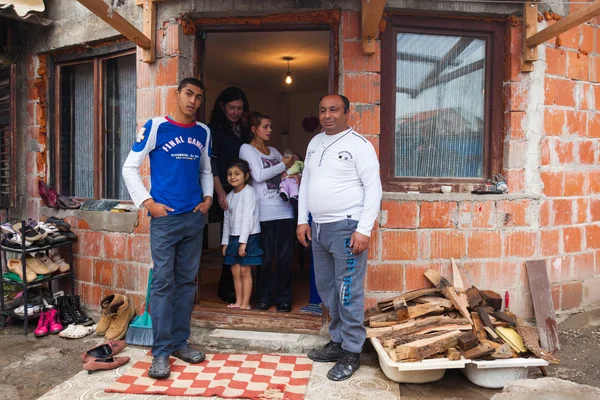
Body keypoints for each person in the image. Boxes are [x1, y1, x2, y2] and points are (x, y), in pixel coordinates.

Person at [122, 77, 213, 380]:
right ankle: (160, 353)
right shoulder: (157, 126)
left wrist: (209, 197)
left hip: (193, 218)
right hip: (164, 218)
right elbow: (129, 166)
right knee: (163, 284)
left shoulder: (203, 132)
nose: (193, 101)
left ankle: (179, 343)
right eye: (189, 94)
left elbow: (205, 169)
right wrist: (148, 203)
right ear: (177, 94)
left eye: (199, 97)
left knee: (187, 283)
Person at [297, 94, 382, 381]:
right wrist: (302, 220)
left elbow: (374, 188)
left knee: (348, 291)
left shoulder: (360, 145)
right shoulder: (314, 143)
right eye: (322, 110)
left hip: (347, 227)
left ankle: (352, 351)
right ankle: (337, 342)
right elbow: (306, 181)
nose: (327, 115)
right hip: (318, 227)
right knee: (326, 289)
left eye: (334, 109)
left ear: (347, 113)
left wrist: (364, 229)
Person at [239, 112, 295, 312]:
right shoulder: (246, 149)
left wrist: (290, 170)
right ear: (254, 129)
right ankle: (262, 298)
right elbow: (259, 174)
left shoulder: (273, 150)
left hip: (285, 212)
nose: (270, 130)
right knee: (264, 259)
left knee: (285, 259)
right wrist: (283, 165)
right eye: (266, 126)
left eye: (270, 126)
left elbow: (288, 172)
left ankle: (283, 298)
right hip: (263, 213)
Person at [208, 87, 251, 305]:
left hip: (245, 188)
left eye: (240, 108)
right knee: (230, 237)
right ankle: (227, 289)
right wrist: (220, 191)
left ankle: (243, 288)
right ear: (222, 106)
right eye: (231, 108)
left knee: (245, 236)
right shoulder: (213, 129)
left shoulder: (245, 130)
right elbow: (211, 163)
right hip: (224, 187)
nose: (235, 112)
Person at [221, 159, 262, 310]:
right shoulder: (230, 196)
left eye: (237, 174)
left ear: (246, 176)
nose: (233, 177)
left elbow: (248, 218)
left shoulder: (249, 193)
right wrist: (225, 242)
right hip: (233, 237)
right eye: (229, 174)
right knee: (235, 271)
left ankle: (245, 304)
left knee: (245, 271)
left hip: (249, 237)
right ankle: (238, 302)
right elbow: (227, 220)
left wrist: (243, 241)